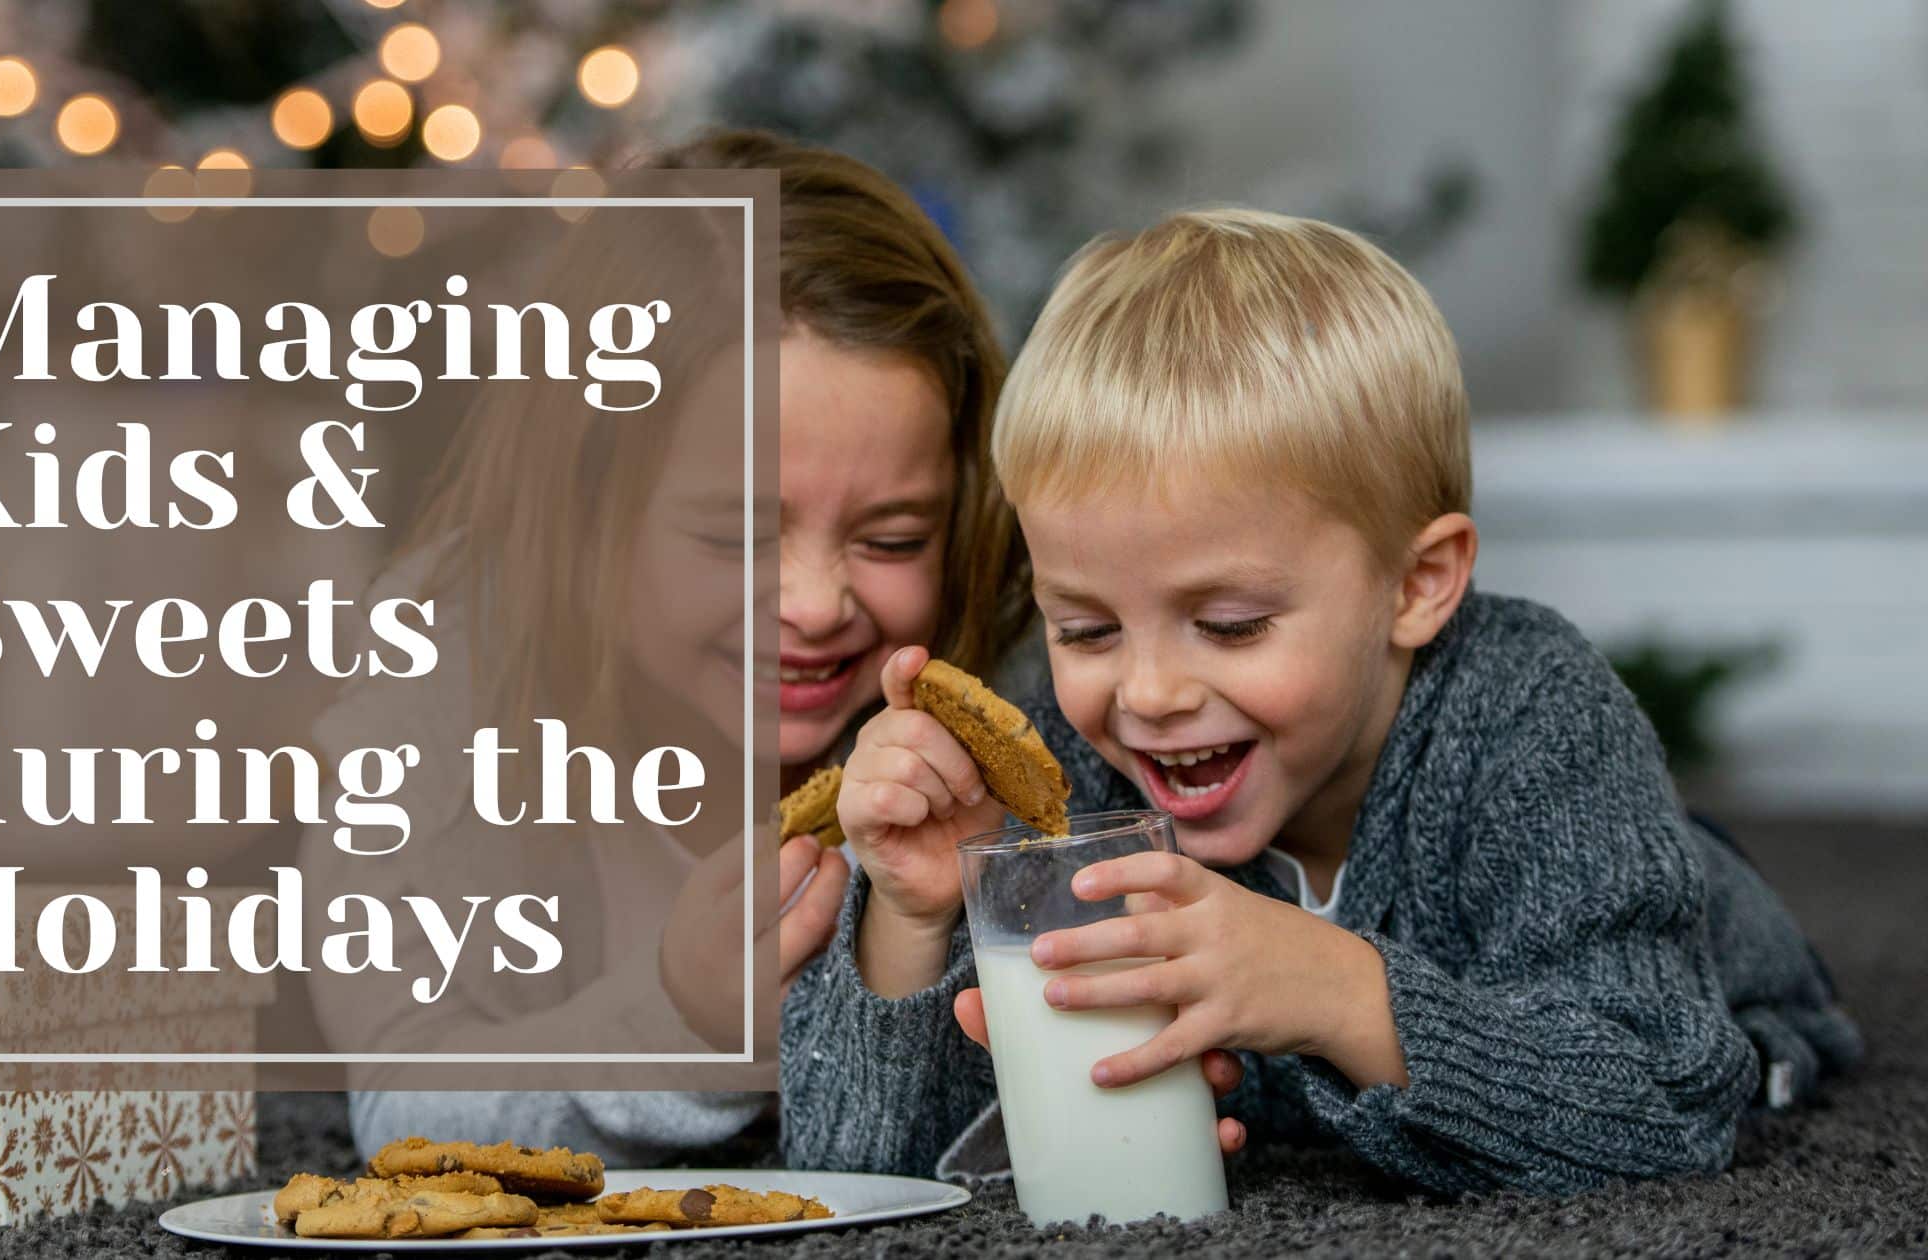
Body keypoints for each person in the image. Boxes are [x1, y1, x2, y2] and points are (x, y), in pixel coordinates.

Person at [785, 208, 1862, 1196]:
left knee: (1745, 1029)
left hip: (1672, 915)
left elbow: (1664, 1102)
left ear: (1414, 585)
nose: (1149, 693)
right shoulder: (1070, 768)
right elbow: (860, 1171)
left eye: (1232, 625)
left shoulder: (1534, 717)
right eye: (1086, 630)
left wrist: (1338, 994)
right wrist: (913, 921)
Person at [331, 130, 1034, 1165]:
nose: (815, 602)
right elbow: (402, 1107)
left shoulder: (983, 690)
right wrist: (682, 1025)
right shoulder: (441, 686)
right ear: (582, 516)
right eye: (736, 535)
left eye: (891, 539)